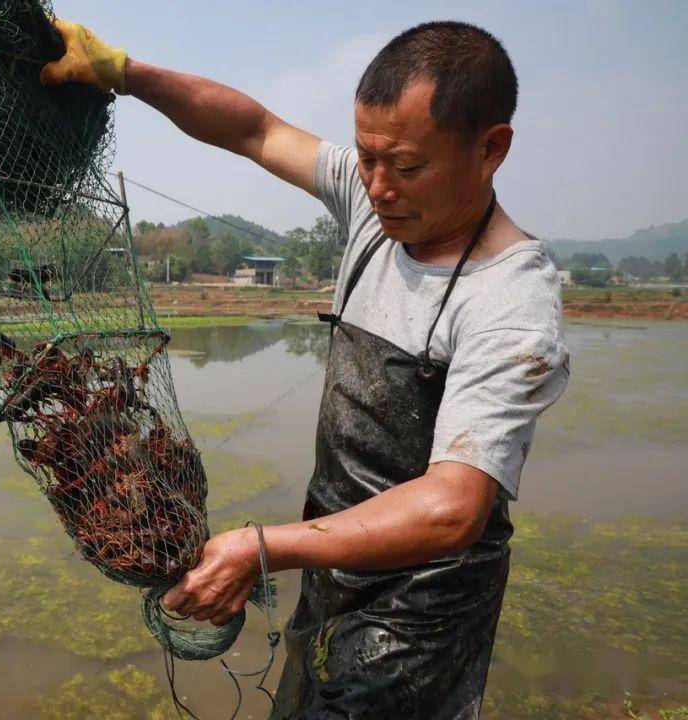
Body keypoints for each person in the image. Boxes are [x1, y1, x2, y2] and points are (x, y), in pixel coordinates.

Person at [41, 19, 569, 719]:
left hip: (424, 612)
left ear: (490, 149)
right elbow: (254, 130)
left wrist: (263, 548)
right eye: (366, 157)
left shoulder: (509, 300)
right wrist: (123, 72)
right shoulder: (374, 199)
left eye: (406, 166)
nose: (377, 188)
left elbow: (453, 509)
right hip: (329, 572)